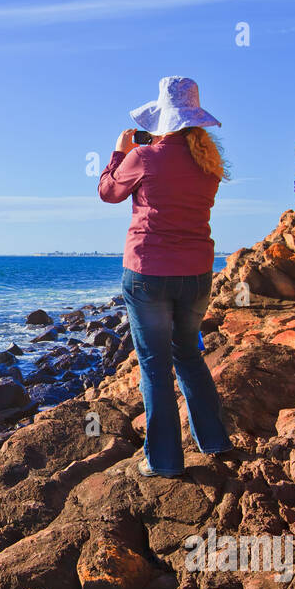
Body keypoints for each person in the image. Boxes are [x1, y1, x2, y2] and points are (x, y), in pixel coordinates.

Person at [98, 76, 233, 478]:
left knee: (155, 368)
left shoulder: (145, 157)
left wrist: (119, 153)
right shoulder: (208, 164)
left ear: (161, 120)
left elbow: (108, 192)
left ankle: (164, 461)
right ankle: (214, 440)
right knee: (189, 356)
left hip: (148, 273)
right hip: (196, 273)